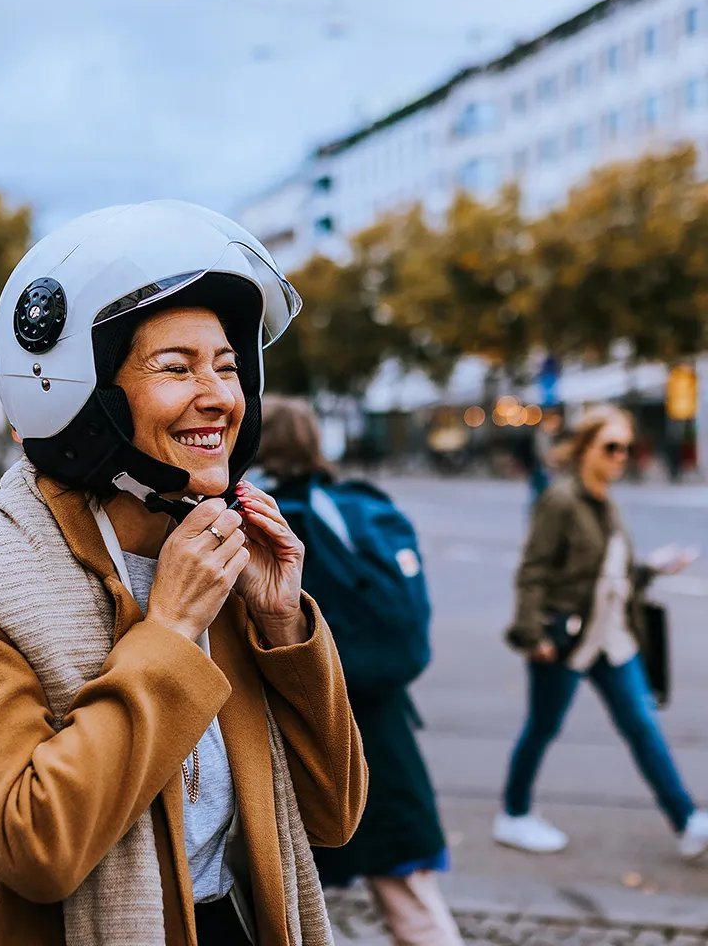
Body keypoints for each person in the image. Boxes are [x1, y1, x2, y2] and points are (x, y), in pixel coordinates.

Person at [0, 202, 367, 946]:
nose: (218, 395)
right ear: (76, 391)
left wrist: (285, 627)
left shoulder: (224, 558)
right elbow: (34, 845)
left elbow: (334, 815)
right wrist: (171, 631)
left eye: (228, 367)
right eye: (176, 368)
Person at [259, 397, 461, 946]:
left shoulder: (264, 518)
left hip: (296, 727)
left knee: (287, 903)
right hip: (382, 729)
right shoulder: (353, 507)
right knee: (410, 896)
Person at [497, 405, 706, 861]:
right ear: (585, 448)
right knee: (543, 726)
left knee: (643, 726)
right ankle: (513, 815)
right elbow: (533, 570)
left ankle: (688, 821)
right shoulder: (561, 500)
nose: (620, 457)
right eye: (611, 447)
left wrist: (651, 568)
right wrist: (533, 636)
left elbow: (607, 574)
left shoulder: (606, 502)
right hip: (567, 641)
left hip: (613, 640)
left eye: (626, 449)